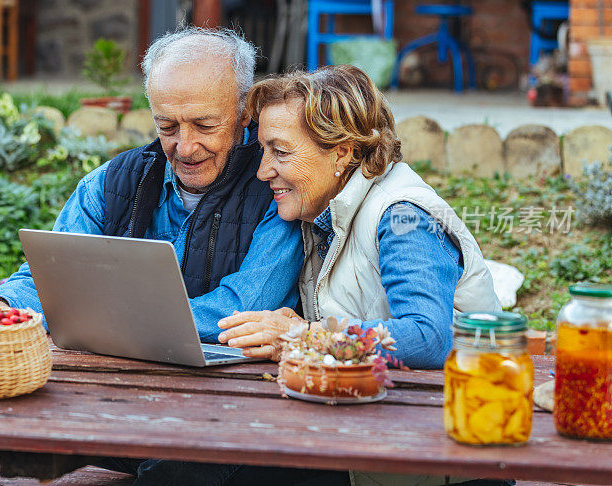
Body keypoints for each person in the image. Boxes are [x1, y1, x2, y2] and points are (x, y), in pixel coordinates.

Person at [0, 27, 314, 485]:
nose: (184, 147)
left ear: (244, 112)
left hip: (229, 411)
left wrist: (109, 321)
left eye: (204, 125)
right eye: (167, 126)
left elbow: (240, 309)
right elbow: (50, 276)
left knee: (181, 465)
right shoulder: (112, 183)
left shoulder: (276, 192)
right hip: (113, 396)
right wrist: (4, 306)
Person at [217, 65, 506, 486]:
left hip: (453, 463)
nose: (263, 171)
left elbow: (428, 337)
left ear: (342, 151)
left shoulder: (404, 216)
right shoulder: (324, 211)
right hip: (383, 441)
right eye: (263, 151)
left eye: (280, 151)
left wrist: (304, 337)